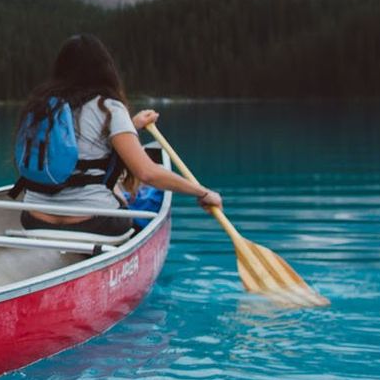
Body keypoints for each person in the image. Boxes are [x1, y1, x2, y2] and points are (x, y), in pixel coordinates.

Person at [12, 34, 222, 235]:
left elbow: (79, 141)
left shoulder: (40, 106)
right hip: (92, 222)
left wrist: (132, 125)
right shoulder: (108, 108)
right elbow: (148, 174)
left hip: (34, 219)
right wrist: (202, 192)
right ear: (104, 68)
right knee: (117, 191)